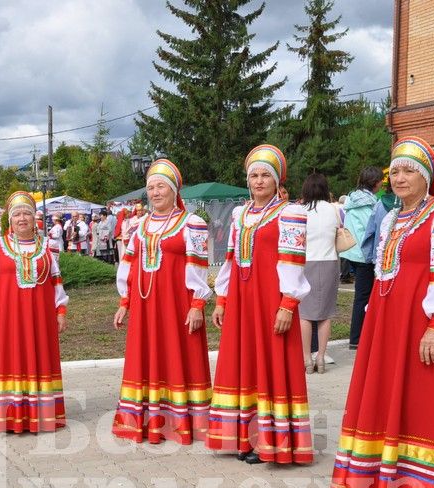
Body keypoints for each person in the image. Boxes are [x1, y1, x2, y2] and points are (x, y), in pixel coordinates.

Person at [330, 137, 434, 488]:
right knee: (384, 394)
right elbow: (384, 273)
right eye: (394, 170)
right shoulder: (389, 218)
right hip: (387, 322)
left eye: (409, 170)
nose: (399, 177)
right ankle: (382, 477)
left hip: (423, 322)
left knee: (420, 398)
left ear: (427, 176)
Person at [208, 145, 311, 465]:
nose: (258, 181)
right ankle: (244, 438)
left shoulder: (291, 214)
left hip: (271, 300)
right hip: (241, 301)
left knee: (271, 363)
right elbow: (230, 259)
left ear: (278, 179)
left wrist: (288, 303)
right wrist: (221, 299)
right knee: (244, 363)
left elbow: (294, 261)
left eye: (265, 174)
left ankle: (271, 441)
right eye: (253, 175)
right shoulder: (241, 215)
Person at [112, 159, 212, 445]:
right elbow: (128, 265)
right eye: (151, 188)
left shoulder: (192, 223)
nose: (155, 193)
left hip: (178, 304)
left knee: (179, 355)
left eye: (161, 187)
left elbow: (199, 267)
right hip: (145, 308)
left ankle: (184, 422)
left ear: (174, 191)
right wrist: (124, 301)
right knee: (147, 355)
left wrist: (197, 304)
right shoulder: (140, 225)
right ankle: (148, 421)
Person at [0, 191, 68, 434]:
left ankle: (41, 414)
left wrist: (61, 309)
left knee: (40, 356)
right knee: (10, 357)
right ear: (9, 220)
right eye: (17, 215)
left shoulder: (49, 246)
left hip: (40, 316)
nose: (22, 218)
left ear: (36, 218)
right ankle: (10, 416)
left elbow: (56, 280)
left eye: (27, 213)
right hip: (7, 317)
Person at [298, 173, 342, 373]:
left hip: (305, 263)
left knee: (305, 314)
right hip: (330, 262)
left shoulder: (299, 210)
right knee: (325, 314)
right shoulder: (334, 210)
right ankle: (321, 358)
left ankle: (307, 359)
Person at [342, 167, 384, 349]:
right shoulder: (369, 204)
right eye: (381, 180)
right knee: (363, 296)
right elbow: (372, 230)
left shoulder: (353, 199)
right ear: (375, 182)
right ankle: (357, 337)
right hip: (363, 254)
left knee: (361, 295)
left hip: (351, 251)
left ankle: (358, 336)